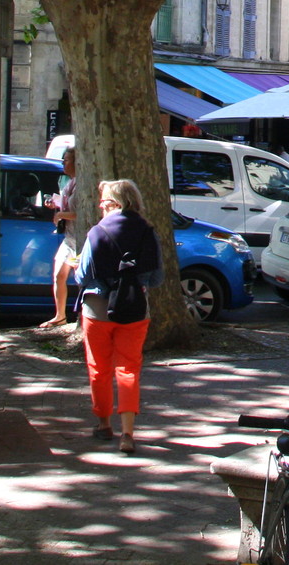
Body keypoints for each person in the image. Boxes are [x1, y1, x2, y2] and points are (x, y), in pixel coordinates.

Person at [76, 179, 162, 455]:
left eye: (103, 202)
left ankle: (103, 423)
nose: (100, 207)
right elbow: (157, 277)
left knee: (99, 368)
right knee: (128, 369)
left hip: (97, 308)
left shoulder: (96, 233)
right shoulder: (148, 231)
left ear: (114, 203)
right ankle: (128, 433)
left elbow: (83, 275)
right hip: (134, 308)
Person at [40, 147, 81, 329]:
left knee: (82, 278)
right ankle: (60, 315)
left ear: (76, 162)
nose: (63, 163)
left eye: (66, 160)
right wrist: (55, 205)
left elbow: (81, 213)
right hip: (68, 238)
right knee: (59, 275)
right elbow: (65, 206)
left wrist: (62, 215)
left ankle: (84, 315)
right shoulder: (69, 183)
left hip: (80, 239)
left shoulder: (82, 184)